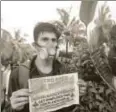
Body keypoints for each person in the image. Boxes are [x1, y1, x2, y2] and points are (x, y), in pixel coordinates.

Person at [5, 22, 87, 112]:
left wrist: (78, 94)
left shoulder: (65, 72)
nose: (50, 44)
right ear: (35, 46)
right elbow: (7, 107)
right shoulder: (18, 74)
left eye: (53, 40)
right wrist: (13, 107)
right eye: (45, 39)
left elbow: (69, 107)